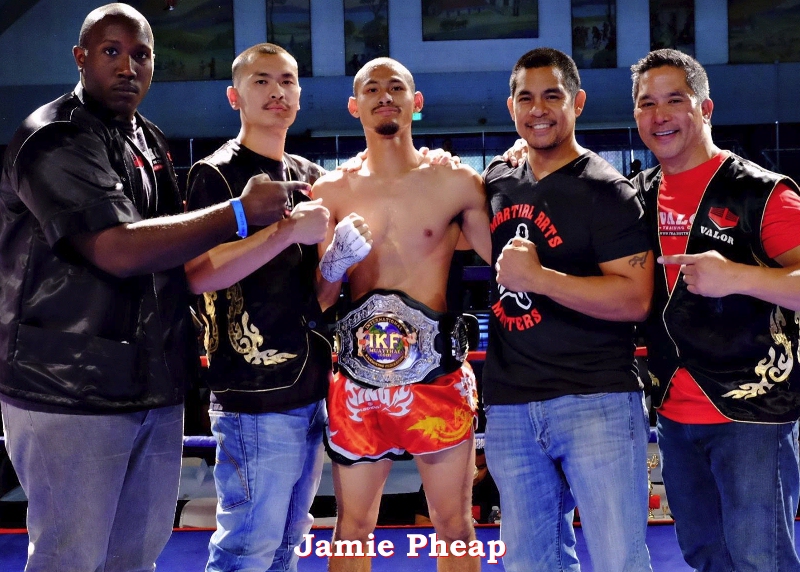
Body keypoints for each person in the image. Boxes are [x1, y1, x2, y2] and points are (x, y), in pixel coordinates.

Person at [0, 5, 293, 571]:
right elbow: (116, 248)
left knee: (136, 558)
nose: (127, 67)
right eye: (111, 52)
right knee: (70, 559)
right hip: (68, 389)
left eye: (141, 55)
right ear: (80, 58)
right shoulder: (53, 138)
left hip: (152, 383)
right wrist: (237, 212)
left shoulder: (147, 137)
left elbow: (173, 250)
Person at [313, 57, 491, 572]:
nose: (384, 96)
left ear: (417, 102)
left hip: (436, 379)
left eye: (396, 87)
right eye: (372, 89)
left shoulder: (456, 182)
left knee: (454, 526)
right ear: (354, 106)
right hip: (358, 383)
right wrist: (334, 264)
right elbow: (321, 299)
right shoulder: (330, 191)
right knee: (351, 529)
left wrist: (520, 161)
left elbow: (504, 258)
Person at [484, 47, 654, 572]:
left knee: (619, 561)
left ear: (577, 102)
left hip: (596, 398)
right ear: (511, 107)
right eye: (526, 98)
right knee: (530, 564)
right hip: (512, 405)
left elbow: (636, 298)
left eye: (552, 96)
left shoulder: (608, 190)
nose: (538, 109)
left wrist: (539, 279)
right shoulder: (498, 178)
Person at [630, 48, 800, 572]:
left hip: (752, 415)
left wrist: (739, 277)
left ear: (705, 109)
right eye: (647, 103)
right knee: (705, 556)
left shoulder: (762, 193)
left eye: (674, 100)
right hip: (673, 414)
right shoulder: (635, 196)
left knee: (760, 560)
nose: (659, 115)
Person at [183, 43, 332, 572]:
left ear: (300, 94)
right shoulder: (216, 173)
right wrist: (286, 231)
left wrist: (338, 261)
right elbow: (198, 274)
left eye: (287, 81)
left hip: (312, 387)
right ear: (235, 97)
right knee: (247, 548)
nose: (277, 92)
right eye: (262, 81)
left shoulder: (310, 174)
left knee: (287, 544)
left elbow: (319, 294)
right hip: (252, 395)